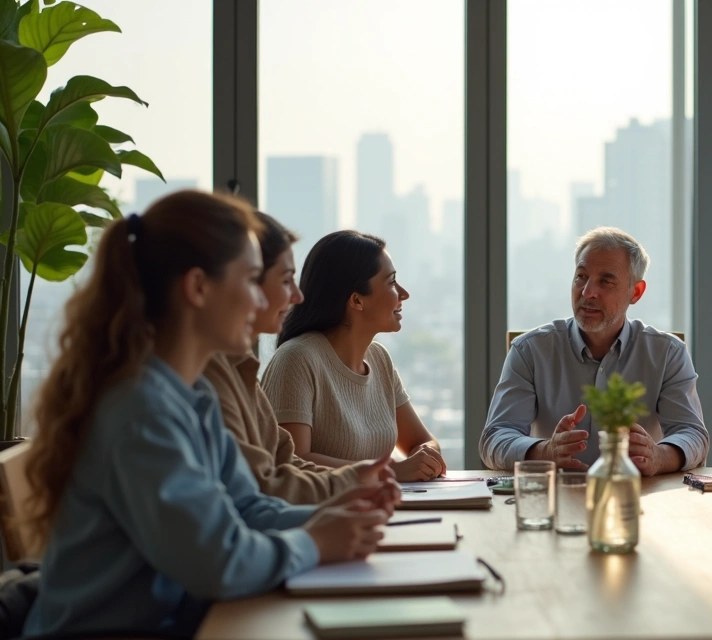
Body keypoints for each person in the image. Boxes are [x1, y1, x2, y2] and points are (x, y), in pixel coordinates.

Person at [23, 191, 394, 638]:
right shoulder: (141, 411)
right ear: (198, 287)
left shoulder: (190, 394)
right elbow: (219, 563)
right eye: (252, 280)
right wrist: (315, 541)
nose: (263, 301)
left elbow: (246, 508)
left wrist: (340, 516)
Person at [480, 227, 708, 475]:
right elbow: (495, 438)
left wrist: (659, 457)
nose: (587, 292)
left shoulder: (668, 354)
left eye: (606, 281)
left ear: (636, 292)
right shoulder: (530, 351)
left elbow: (692, 434)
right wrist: (545, 451)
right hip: (556, 493)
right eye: (581, 276)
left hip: (635, 492)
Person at [203, 212, 396, 503]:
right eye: (284, 280)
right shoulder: (196, 386)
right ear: (201, 287)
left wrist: (364, 481)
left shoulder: (236, 370)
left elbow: (283, 464)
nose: (297, 296)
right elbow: (254, 496)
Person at [262, 230, 447, 482]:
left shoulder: (379, 359)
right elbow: (292, 462)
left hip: (379, 504)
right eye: (392, 282)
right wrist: (390, 472)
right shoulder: (296, 358)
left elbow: (423, 441)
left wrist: (424, 457)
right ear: (357, 300)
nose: (404, 293)